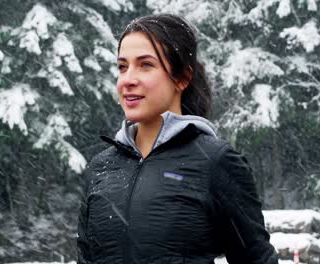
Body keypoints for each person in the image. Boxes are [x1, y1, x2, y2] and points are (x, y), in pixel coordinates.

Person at [76, 13, 279, 264]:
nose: (128, 79)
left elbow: (256, 259)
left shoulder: (216, 163)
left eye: (145, 65)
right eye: (122, 66)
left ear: (182, 78)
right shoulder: (101, 168)